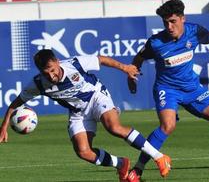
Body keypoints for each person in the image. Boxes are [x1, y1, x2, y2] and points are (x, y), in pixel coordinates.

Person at [127, 0, 209, 181]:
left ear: (183, 18)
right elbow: (138, 58)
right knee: (168, 126)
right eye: (165, 22)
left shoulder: (194, 31)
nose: (169, 26)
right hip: (167, 89)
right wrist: (132, 75)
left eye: (173, 21)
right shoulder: (156, 43)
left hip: (192, 89)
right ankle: (138, 169)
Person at [0, 49, 171, 182]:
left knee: (113, 127)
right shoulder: (38, 84)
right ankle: (121, 164)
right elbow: (16, 103)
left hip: (96, 97)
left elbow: (102, 59)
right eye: (46, 73)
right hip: (78, 112)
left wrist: (125, 68)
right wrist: (4, 127)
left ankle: (159, 157)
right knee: (83, 152)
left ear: (57, 62)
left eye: (52, 70)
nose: (51, 76)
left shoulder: (74, 64)